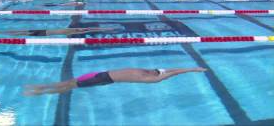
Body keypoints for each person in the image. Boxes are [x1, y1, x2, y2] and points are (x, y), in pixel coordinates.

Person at [24, 67, 207, 96]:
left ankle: (40, 91)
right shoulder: (152, 72)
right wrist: (188, 67)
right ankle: (41, 87)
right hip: (101, 74)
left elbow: (171, 74)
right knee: (70, 81)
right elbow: (169, 69)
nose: (154, 69)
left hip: (104, 79)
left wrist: (192, 70)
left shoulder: (153, 80)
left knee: (70, 86)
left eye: (156, 71)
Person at [0, 27, 115, 36]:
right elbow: (92, 29)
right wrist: (107, 29)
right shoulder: (73, 32)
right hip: (45, 32)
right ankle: (1, 33)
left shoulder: (72, 31)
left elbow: (91, 29)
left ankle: (1, 33)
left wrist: (107, 29)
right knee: (22, 32)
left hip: (45, 32)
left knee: (22, 32)